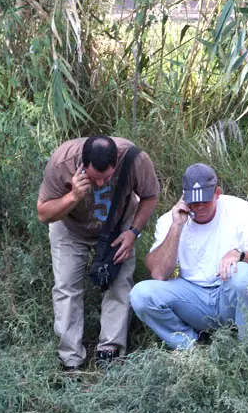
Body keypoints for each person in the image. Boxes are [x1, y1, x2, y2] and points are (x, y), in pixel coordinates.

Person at [37, 135, 160, 370]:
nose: (102, 184)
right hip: (70, 228)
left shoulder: (134, 158)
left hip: (118, 225)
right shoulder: (62, 162)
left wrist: (133, 232)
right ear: (82, 165)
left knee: (119, 282)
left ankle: (110, 350)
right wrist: (73, 195)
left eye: (107, 178)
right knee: (66, 287)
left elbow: (150, 195)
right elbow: (43, 213)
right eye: (95, 179)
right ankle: (70, 358)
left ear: (116, 163)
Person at [129, 163, 248, 349]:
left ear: (217, 193)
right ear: (184, 197)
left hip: (231, 294)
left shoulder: (241, 211)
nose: (199, 207)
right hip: (195, 298)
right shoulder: (170, 220)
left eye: (205, 201)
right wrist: (177, 227)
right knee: (140, 294)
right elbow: (159, 274)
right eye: (193, 202)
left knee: (243, 275)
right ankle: (193, 347)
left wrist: (241, 255)